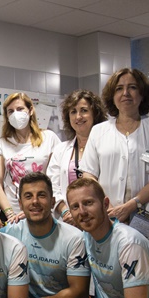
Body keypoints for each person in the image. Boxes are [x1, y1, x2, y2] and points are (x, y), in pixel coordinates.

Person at [80, 68, 149, 257]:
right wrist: (106, 205)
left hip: (148, 216)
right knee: (112, 277)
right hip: (108, 215)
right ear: (112, 95)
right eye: (119, 88)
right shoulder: (99, 131)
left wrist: (131, 205)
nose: (125, 93)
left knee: (145, 278)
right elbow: (89, 174)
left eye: (132, 87)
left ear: (142, 93)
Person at [0, 172, 90, 298]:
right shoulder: (9, 233)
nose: (35, 201)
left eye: (41, 195)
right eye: (28, 196)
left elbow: (78, 292)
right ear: (20, 204)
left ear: (52, 201)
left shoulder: (74, 238)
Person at [0, 92, 61, 223]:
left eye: (20, 109)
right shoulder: (2, 143)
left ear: (30, 110)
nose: (15, 114)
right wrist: (10, 213)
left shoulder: (49, 138)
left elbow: (56, 178)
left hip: (42, 210)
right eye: (10, 111)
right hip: (14, 215)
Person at [47, 89, 106, 226]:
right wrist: (67, 212)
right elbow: (52, 185)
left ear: (95, 114)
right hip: (69, 221)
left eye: (84, 110)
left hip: (100, 218)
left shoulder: (107, 148)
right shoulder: (61, 150)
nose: (78, 116)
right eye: (73, 112)